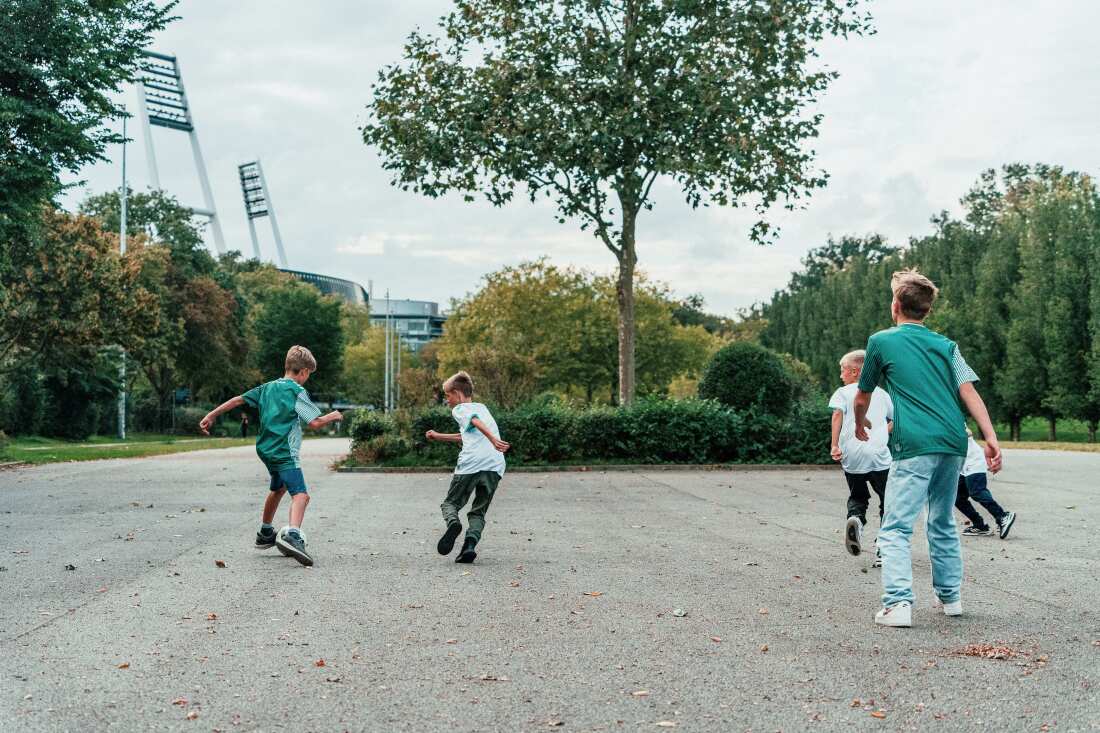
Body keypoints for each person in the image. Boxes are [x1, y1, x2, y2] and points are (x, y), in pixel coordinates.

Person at [854, 269, 1002, 628]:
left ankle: (898, 603)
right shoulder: (947, 346)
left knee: (896, 527)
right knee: (942, 520)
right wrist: (990, 436)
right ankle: (951, 598)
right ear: (928, 311)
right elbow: (968, 390)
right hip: (953, 440)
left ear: (895, 306)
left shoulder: (881, 341)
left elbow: (863, 394)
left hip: (916, 442)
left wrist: (859, 423)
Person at [199, 345, 342, 566]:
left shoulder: (267, 388)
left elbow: (238, 400)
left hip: (265, 449)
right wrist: (332, 416)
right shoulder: (296, 391)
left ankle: (265, 532)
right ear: (303, 371)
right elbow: (314, 422)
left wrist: (211, 415)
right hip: (285, 451)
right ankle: (293, 535)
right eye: (308, 375)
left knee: (278, 488)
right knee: (301, 495)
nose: (306, 379)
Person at [425, 371, 509, 564]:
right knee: (478, 511)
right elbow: (468, 434)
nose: (448, 401)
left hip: (471, 464)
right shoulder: (483, 408)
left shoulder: (461, 409)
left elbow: (474, 422)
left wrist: (493, 439)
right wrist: (438, 436)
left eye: (448, 396)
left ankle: (454, 524)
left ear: (458, 393)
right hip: (495, 465)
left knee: (450, 504)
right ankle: (468, 547)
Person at [828, 349, 893, 567]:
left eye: (842, 370)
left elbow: (837, 415)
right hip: (879, 456)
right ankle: (884, 547)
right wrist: (882, 431)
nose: (840, 375)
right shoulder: (883, 394)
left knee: (858, 497)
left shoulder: (843, 392)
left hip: (852, 455)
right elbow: (896, 419)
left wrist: (835, 444)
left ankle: (855, 519)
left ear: (855, 372)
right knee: (889, 501)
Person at [955, 429, 1016, 538]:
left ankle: (1002, 516)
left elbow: (968, 432)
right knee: (957, 498)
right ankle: (980, 526)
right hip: (962, 465)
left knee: (977, 492)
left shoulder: (947, 415)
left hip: (974, 460)